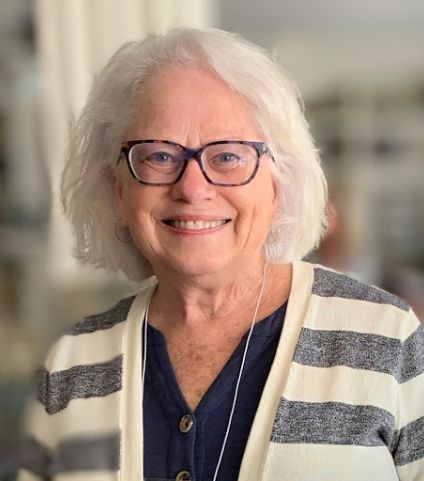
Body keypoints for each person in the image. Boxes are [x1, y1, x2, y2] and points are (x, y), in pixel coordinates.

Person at [18, 28, 423, 481]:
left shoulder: (387, 338)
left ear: (277, 184)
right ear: (119, 191)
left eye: (228, 157)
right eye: (159, 156)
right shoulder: (71, 364)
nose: (192, 188)